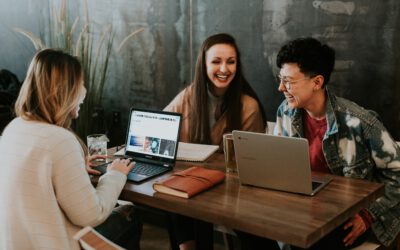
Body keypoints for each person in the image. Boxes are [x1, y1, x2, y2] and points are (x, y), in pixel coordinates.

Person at [0, 49, 141, 250]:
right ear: (64, 90)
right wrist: (115, 175)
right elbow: (92, 214)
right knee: (130, 213)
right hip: (55, 244)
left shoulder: (13, 129)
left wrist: (74, 166)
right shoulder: (61, 140)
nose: (84, 91)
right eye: (81, 84)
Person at [274, 37, 400, 249]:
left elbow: (397, 174)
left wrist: (368, 215)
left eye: (288, 81)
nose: (280, 88)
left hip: (345, 219)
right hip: (301, 212)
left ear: (317, 82)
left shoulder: (359, 122)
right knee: (248, 228)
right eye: (280, 79)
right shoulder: (285, 112)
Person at [164, 33, 277, 250]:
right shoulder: (189, 96)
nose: (224, 69)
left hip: (233, 192)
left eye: (230, 62)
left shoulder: (248, 106)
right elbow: (162, 129)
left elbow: (253, 166)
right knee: (173, 196)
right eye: (216, 61)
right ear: (204, 65)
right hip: (193, 184)